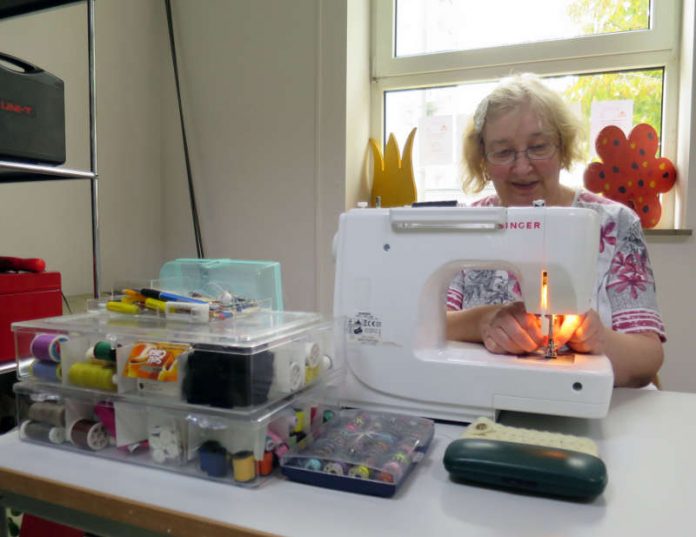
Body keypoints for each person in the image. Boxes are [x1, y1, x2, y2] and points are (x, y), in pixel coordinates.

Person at [445, 73, 665, 388]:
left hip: (601, 406)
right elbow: (427, 324)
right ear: (483, 159)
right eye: (503, 152)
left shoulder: (615, 223)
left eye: (538, 147)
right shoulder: (466, 225)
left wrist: (600, 338)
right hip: (486, 401)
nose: (522, 167)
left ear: (562, 147)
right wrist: (481, 322)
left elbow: (648, 357)